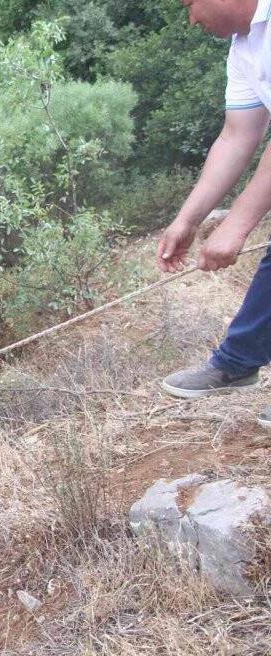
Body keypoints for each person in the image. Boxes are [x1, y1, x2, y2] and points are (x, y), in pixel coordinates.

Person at [157, 0, 271, 428]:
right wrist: (187, 220)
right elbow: (237, 135)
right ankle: (238, 362)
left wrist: (237, 225)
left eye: (189, 5)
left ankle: (238, 360)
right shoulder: (245, 47)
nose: (191, 20)